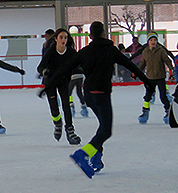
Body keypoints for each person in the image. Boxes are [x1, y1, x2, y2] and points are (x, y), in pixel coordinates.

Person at [48, 22, 154, 178]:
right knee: (106, 130)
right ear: (104, 34)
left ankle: (96, 158)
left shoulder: (85, 51)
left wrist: (48, 84)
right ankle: (83, 154)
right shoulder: (110, 50)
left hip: (89, 94)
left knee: (103, 127)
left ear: (90, 36)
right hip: (101, 94)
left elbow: (65, 68)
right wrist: (146, 81)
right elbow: (130, 65)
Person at [37, 29, 81, 144]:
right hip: (50, 82)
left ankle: (70, 130)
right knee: (54, 108)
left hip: (63, 81)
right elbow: (40, 67)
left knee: (66, 105)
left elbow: (79, 63)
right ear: (56, 39)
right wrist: (44, 72)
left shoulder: (70, 52)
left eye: (65, 38)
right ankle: (57, 124)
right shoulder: (51, 51)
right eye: (61, 37)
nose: (63, 40)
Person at [137, 32, 174, 124]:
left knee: (163, 96)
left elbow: (167, 61)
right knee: (148, 96)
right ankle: (145, 112)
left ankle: (168, 111)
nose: (153, 42)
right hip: (150, 78)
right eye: (151, 40)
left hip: (160, 77)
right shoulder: (145, 52)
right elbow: (142, 63)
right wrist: (136, 72)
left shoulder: (161, 51)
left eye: (155, 40)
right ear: (148, 41)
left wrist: (171, 70)